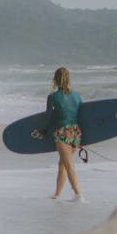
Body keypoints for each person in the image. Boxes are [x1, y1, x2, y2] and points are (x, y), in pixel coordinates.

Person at [46, 66, 84, 202]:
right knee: (62, 164)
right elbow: (83, 116)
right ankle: (57, 194)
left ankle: (79, 194)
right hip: (75, 133)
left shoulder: (53, 97)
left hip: (62, 132)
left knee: (68, 165)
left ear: (55, 80)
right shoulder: (77, 96)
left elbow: (48, 118)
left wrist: (42, 131)